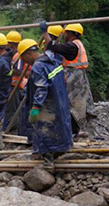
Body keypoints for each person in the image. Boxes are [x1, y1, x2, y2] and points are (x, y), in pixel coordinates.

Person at [19, 38, 72, 168]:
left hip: (47, 104)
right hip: (59, 99)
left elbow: (41, 88)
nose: (25, 63)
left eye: (24, 59)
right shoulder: (53, 59)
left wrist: (36, 107)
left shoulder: (38, 66)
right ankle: (60, 150)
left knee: (44, 129)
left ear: (28, 54)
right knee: (59, 126)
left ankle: (48, 160)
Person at [57, 24, 94, 136]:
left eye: (65, 33)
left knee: (74, 103)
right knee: (78, 103)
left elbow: (55, 48)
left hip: (75, 77)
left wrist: (46, 36)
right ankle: (79, 129)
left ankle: (77, 130)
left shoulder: (72, 46)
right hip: (79, 76)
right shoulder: (77, 44)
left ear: (71, 33)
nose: (64, 35)